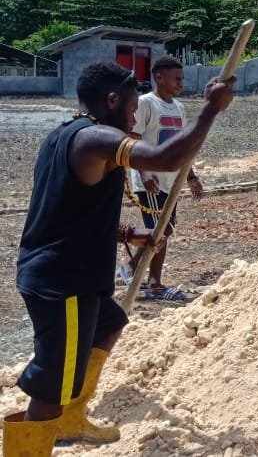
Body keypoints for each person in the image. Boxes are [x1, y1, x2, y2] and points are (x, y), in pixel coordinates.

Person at [5, 62, 233, 453]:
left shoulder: (65, 135)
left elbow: (70, 211)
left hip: (67, 273)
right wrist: (210, 109)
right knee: (54, 380)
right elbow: (164, 158)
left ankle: (72, 416)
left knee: (110, 322)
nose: (133, 119)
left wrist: (129, 233)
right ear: (112, 101)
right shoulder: (96, 139)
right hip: (64, 281)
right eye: (130, 110)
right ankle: (38, 439)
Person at [127, 56, 199, 302]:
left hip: (170, 181)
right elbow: (132, 140)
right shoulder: (146, 104)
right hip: (150, 183)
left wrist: (191, 176)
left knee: (163, 229)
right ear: (159, 77)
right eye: (176, 78)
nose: (181, 83)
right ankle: (154, 283)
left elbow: (182, 147)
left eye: (182, 78)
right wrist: (144, 172)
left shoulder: (178, 107)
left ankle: (129, 269)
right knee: (160, 230)